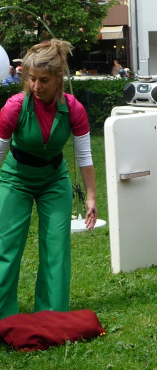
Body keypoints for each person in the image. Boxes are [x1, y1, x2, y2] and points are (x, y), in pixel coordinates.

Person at [0, 39, 98, 319]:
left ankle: (51, 316)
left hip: (54, 180)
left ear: (58, 79)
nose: (36, 86)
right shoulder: (14, 108)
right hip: (15, 178)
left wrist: (91, 197)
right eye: (31, 79)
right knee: (6, 247)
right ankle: (3, 316)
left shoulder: (73, 109)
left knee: (56, 248)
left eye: (44, 80)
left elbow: (84, 156)